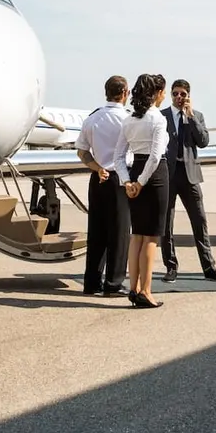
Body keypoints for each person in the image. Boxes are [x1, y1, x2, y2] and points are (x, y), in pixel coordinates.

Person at [161, 79, 216, 283]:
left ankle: (209, 267)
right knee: (167, 223)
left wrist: (191, 118)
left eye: (182, 94)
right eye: (175, 94)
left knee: (200, 221)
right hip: (169, 174)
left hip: (190, 175)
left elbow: (204, 141)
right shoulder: (162, 116)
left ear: (188, 95)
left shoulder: (196, 116)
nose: (178, 98)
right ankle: (171, 266)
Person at [113, 73, 170, 308]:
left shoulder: (129, 120)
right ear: (157, 93)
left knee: (137, 234)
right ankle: (146, 290)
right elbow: (156, 156)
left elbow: (117, 156)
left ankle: (134, 287)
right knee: (151, 236)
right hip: (154, 176)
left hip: (135, 169)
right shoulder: (157, 119)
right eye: (163, 91)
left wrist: (129, 182)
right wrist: (142, 182)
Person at [75, 75, 132, 296]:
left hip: (98, 177)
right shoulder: (127, 119)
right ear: (125, 93)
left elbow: (82, 152)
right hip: (120, 177)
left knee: (97, 232)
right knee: (119, 233)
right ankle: (114, 283)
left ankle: (91, 282)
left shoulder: (93, 118)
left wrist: (97, 167)